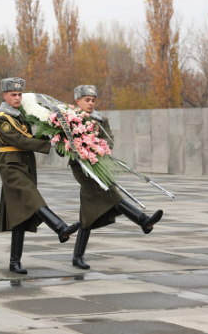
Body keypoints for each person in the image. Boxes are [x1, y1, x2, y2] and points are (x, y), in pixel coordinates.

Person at [69, 85, 164, 270]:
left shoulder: (100, 119)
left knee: (89, 208)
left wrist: (96, 145)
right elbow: (63, 144)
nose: (90, 103)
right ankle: (142, 220)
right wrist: (80, 147)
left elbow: (109, 139)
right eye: (87, 100)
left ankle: (77, 255)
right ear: (78, 101)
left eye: (93, 100)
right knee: (110, 191)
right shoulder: (70, 119)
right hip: (81, 166)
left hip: (98, 163)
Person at [0, 77, 80, 275]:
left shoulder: (20, 116)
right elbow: (20, 140)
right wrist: (46, 145)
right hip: (11, 167)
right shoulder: (3, 119)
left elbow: (31, 137)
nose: (17, 98)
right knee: (33, 198)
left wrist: (49, 130)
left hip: (25, 166)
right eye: (13, 95)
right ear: (5, 96)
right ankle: (60, 228)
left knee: (19, 215)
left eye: (19, 95)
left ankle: (14, 261)